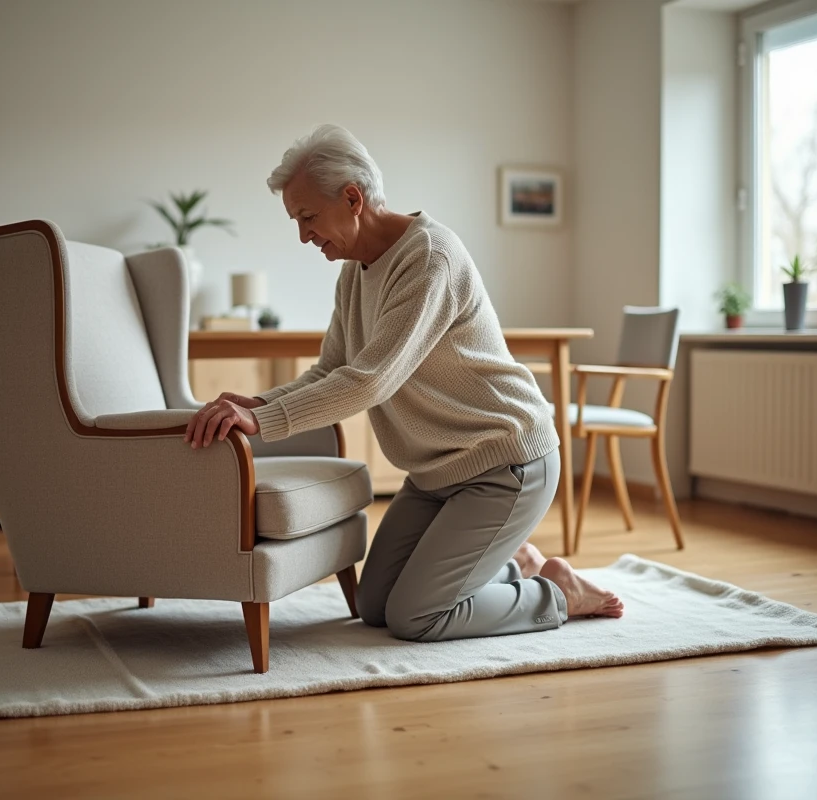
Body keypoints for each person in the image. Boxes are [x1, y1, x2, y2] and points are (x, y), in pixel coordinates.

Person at [184, 124, 622, 642]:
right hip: (436, 474)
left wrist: (261, 420)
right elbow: (331, 370)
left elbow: (371, 381)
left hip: (505, 462)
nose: (303, 235)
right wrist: (258, 401)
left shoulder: (430, 257)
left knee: (416, 617)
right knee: (375, 606)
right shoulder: (354, 271)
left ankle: (558, 595)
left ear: (353, 198)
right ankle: (516, 562)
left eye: (307, 217)